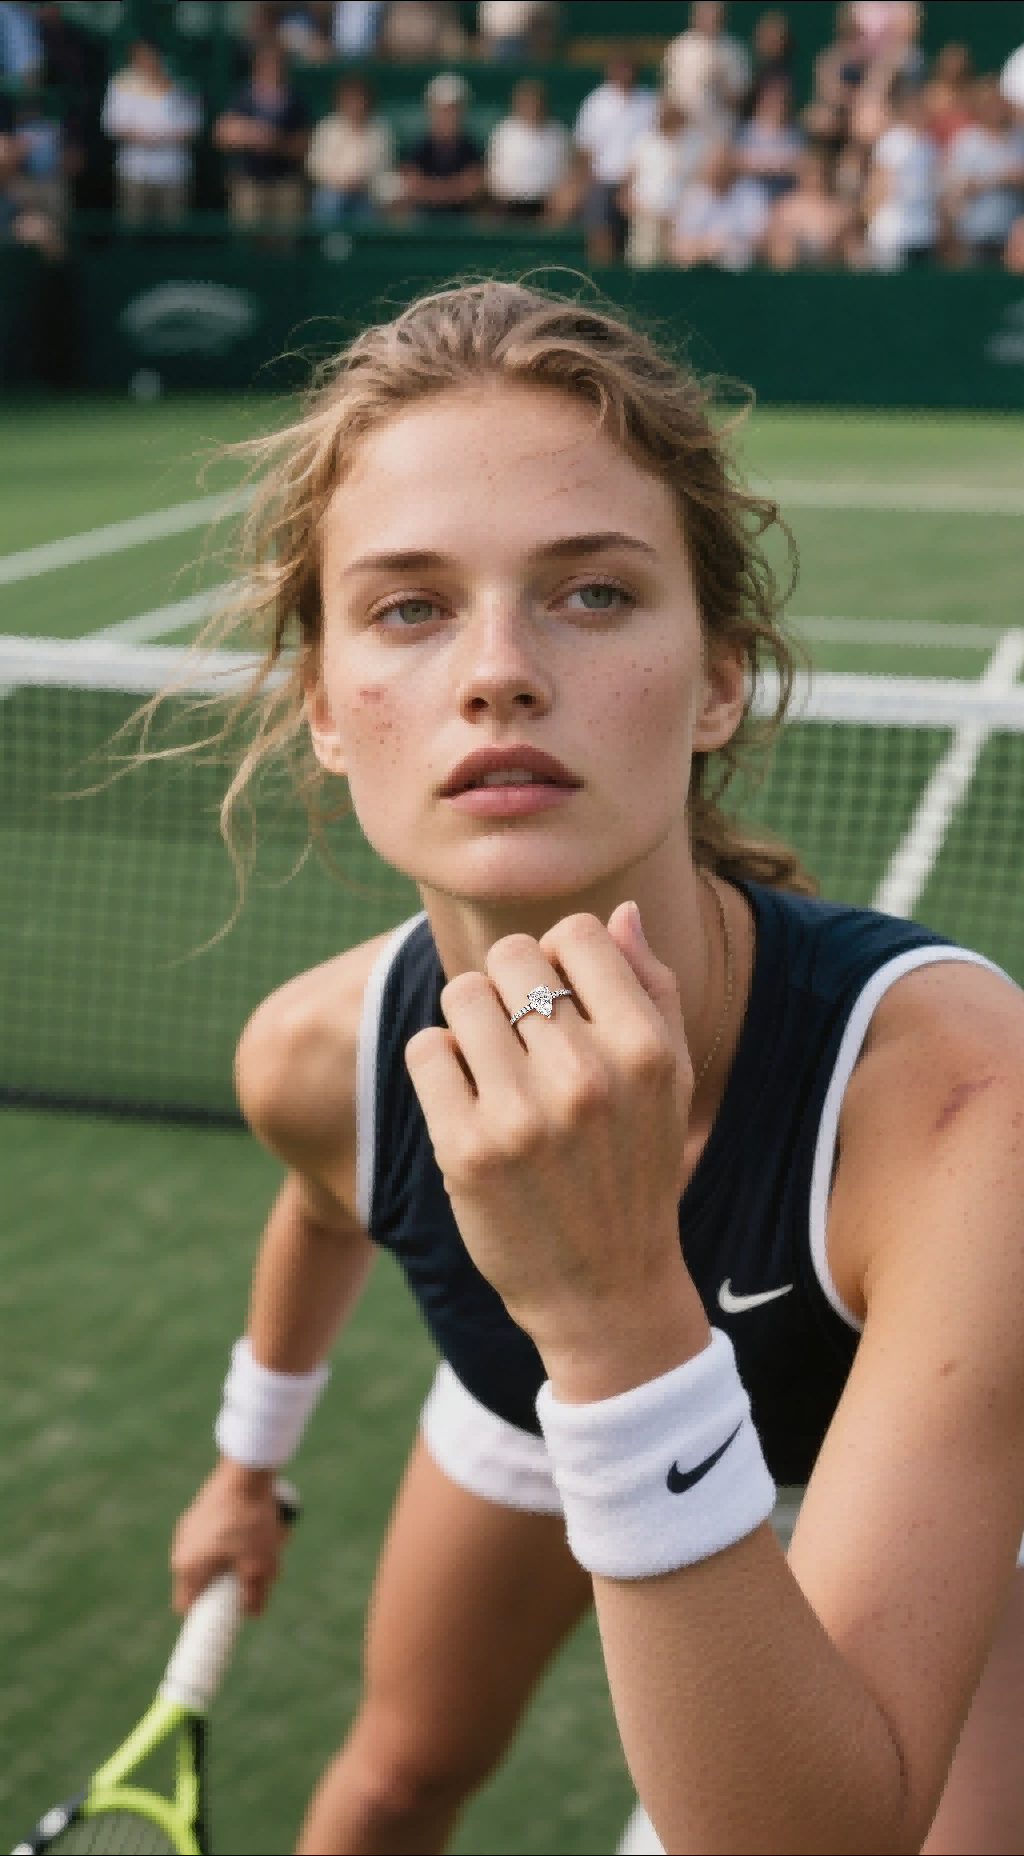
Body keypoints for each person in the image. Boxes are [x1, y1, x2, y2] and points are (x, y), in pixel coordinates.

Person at [169, 279, 1024, 1856]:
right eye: (410, 608)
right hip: (533, 1413)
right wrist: (246, 1465)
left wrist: (619, 1312)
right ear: (328, 713)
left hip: (890, 1461)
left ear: (718, 682)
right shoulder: (314, 1056)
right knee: (395, 1779)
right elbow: (319, 1211)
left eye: (593, 594)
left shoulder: (960, 1103)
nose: (498, 668)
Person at [101, 38, 201, 227]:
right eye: (141, 57)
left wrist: (162, 137)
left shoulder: (181, 82)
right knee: (133, 227)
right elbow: (111, 125)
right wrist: (143, 137)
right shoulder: (120, 83)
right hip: (134, 172)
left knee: (173, 230)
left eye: (151, 56)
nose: (148, 61)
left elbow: (194, 127)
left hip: (174, 172)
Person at [214, 39, 310, 229]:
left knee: (284, 243)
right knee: (248, 239)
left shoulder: (295, 98)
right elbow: (221, 136)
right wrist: (252, 135)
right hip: (248, 181)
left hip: (284, 182)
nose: (272, 67)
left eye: (277, 61)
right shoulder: (242, 96)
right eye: (266, 61)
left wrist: (275, 141)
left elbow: (305, 145)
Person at [573, 55, 657, 263]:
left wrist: (634, 183)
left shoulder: (650, 101)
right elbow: (585, 148)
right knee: (601, 232)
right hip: (603, 181)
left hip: (643, 182)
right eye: (620, 69)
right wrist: (589, 185)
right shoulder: (596, 102)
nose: (625, 74)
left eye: (629, 69)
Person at [941, 77, 1024, 267]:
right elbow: (955, 190)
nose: (995, 110)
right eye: (989, 105)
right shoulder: (966, 142)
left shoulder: (1020, 138)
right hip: (975, 236)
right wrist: (997, 179)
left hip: (1014, 239)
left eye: (998, 104)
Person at [306, 76, 397, 224]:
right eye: (350, 100)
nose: (356, 105)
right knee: (329, 202)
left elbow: (385, 167)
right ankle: (330, 243)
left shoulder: (381, 131)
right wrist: (340, 181)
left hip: (369, 192)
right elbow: (314, 164)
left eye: (360, 100)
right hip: (333, 190)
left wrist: (362, 181)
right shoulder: (327, 127)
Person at [670, 141, 768, 269]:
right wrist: (705, 246)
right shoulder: (695, 194)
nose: (716, 170)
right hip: (700, 251)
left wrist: (719, 244)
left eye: (720, 165)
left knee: (734, 254)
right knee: (682, 248)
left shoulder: (750, 192)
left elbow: (755, 236)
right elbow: (683, 231)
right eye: (712, 165)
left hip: (737, 252)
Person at [399, 72, 485, 216]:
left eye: (454, 109)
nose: (448, 115)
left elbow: (474, 186)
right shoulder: (419, 144)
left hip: (463, 216)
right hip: (422, 216)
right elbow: (412, 185)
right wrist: (454, 190)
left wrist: (433, 190)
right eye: (442, 110)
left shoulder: (470, 145)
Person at [662, 0, 751, 138]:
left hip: (721, 132)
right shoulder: (680, 47)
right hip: (686, 132)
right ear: (695, 17)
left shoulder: (735, 50)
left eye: (716, 17)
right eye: (705, 15)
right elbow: (668, 94)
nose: (711, 21)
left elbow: (741, 99)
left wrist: (721, 83)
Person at [485, 77, 569, 218]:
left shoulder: (558, 134)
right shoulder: (503, 132)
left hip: (547, 204)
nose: (532, 108)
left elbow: (567, 173)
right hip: (507, 203)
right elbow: (493, 173)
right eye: (527, 103)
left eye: (536, 103)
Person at [762, 144, 855, 266]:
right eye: (810, 172)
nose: (816, 177)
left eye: (821, 172)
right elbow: (770, 246)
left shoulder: (843, 209)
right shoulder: (786, 208)